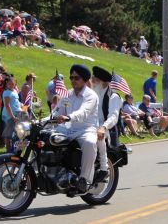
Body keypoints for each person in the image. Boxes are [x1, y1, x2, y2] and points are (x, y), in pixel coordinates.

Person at [49, 64, 100, 193]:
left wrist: (68, 117)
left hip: (86, 129)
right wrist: (40, 121)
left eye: (76, 78)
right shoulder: (68, 95)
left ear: (84, 79)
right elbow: (57, 111)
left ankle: (84, 179)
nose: (73, 80)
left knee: (89, 143)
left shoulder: (91, 96)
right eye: (71, 77)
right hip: (68, 129)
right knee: (45, 137)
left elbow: (84, 112)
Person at [91, 66, 122, 183]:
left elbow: (113, 117)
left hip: (106, 129)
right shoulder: (93, 94)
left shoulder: (113, 97)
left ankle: (104, 168)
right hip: (90, 126)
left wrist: (103, 127)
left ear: (101, 81)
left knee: (97, 135)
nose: (92, 80)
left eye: (94, 78)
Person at [1, 75, 25, 153]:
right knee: (8, 133)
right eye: (10, 84)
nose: (12, 85)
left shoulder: (14, 91)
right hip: (10, 115)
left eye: (13, 83)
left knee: (18, 132)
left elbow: (16, 102)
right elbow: (7, 105)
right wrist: (13, 116)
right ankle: (8, 150)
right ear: (7, 83)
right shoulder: (6, 92)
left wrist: (21, 105)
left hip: (18, 113)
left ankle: (16, 149)